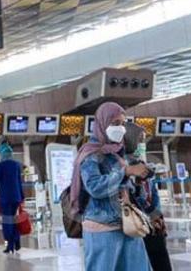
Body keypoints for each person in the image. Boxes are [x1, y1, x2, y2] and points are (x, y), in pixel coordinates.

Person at [69, 102, 151, 271]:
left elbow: (126, 187)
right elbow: (95, 187)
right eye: (115, 124)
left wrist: (138, 180)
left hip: (127, 225)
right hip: (102, 228)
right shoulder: (90, 155)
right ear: (102, 124)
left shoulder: (118, 153)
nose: (120, 128)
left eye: (122, 124)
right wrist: (126, 172)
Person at [124, 122, 172, 271]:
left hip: (151, 221)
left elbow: (153, 193)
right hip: (137, 222)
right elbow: (133, 195)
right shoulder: (123, 165)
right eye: (139, 140)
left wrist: (157, 215)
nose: (141, 144)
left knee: (160, 258)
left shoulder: (141, 163)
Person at [0, 142, 24, 253]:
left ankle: (10, 244)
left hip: (6, 198)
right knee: (14, 219)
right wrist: (22, 196)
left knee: (7, 221)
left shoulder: (0, 166)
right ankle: (16, 238)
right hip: (16, 197)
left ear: (1, 154)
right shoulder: (16, 165)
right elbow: (19, 181)